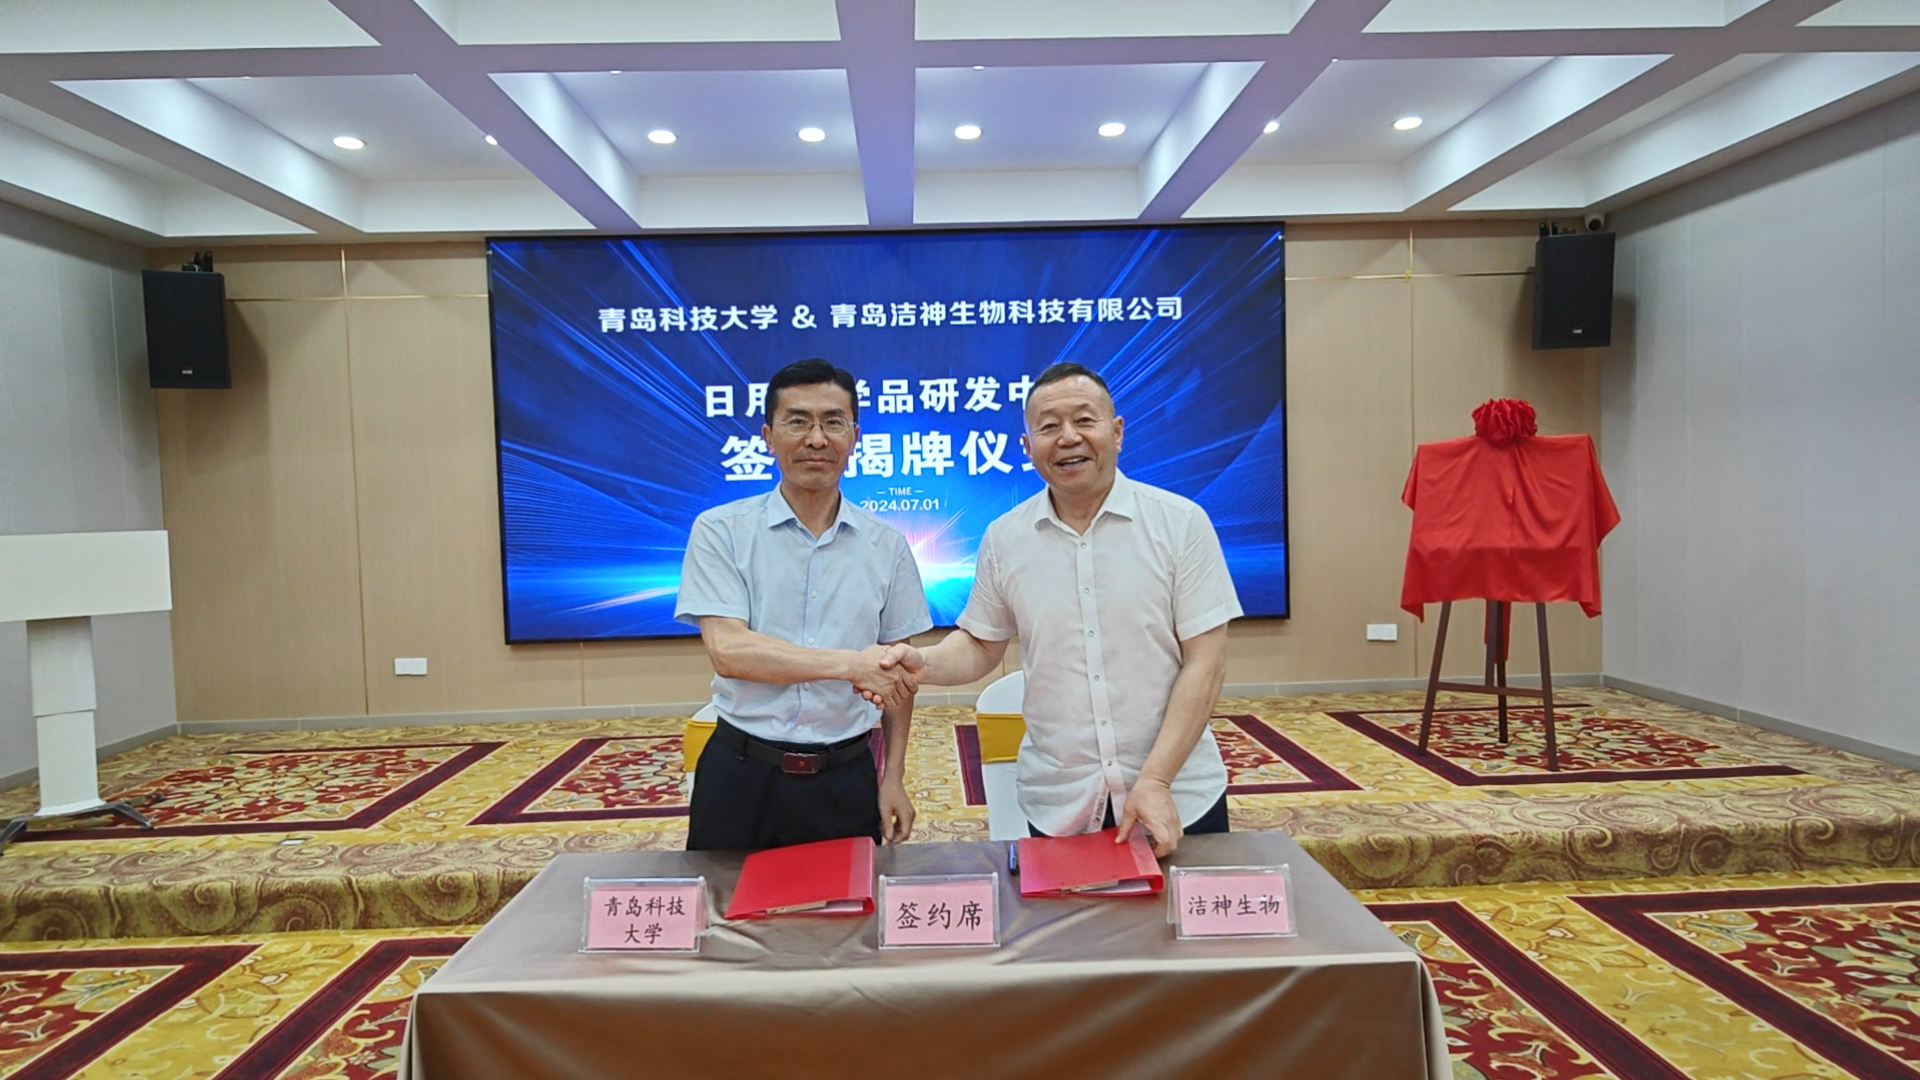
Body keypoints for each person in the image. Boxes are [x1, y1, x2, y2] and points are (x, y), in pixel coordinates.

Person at [880, 362, 1239, 855]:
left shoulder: (1180, 524)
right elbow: (981, 644)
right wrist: (920, 664)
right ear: (1027, 447)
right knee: (1065, 911)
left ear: (1117, 432)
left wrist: (1156, 779)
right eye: (1048, 426)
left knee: (1186, 907)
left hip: (1179, 792)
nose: (1068, 437)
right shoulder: (1006, 538)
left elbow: (1206, 662)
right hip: (1062, 802)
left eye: (1085, 420)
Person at [675, 358, 932, 851]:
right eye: (798, 422)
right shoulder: (721, 531)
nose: (817, 439)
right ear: (768, 437)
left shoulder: (887, 545)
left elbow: (895, 677)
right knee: (726, 901)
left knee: (846, 902)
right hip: (741, 775)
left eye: (833, 422)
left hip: (845, 776)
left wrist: (893, 776)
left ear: (854, 437)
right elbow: (730, 651)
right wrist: (850, 665)